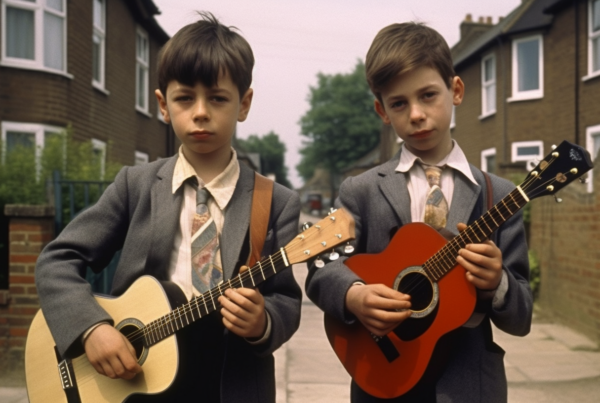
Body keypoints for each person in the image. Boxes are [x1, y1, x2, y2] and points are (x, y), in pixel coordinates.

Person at [35, 12, 302, 402]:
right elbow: (57, 260)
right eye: (184, 98)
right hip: (136, 380)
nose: (200, 112)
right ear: (163, 104)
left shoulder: (276, 202)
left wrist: (264, 321)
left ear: (243, 104)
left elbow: (286, 299)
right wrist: (90, 328)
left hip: (231, 384)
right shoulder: (136, 185)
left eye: (217, 98)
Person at [306, 22, 532, 402]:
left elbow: (521, 317)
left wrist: (498, 283)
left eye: (428, 95)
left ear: (456, 90)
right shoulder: (360, 191)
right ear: (382, 110)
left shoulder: (500, 196)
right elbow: (320, 268)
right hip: (383, 379)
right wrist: (354, 295)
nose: (415, 114)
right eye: (399, 103)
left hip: (470, 386)